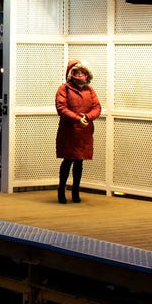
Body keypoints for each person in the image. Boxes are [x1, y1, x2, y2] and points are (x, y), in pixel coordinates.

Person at [55, 59, 100, 204]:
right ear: (70, 73)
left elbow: (97, 107)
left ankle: (75, 191)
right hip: (69, 131)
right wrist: (76, 118)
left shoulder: (90, 90)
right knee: (68, 160)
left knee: (80, 161)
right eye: (76, 72)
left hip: (84, 131)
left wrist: (87, 117)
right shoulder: (64, 89)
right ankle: (61, 191)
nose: (80, 74)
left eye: (82, 72)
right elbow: (61, 108)